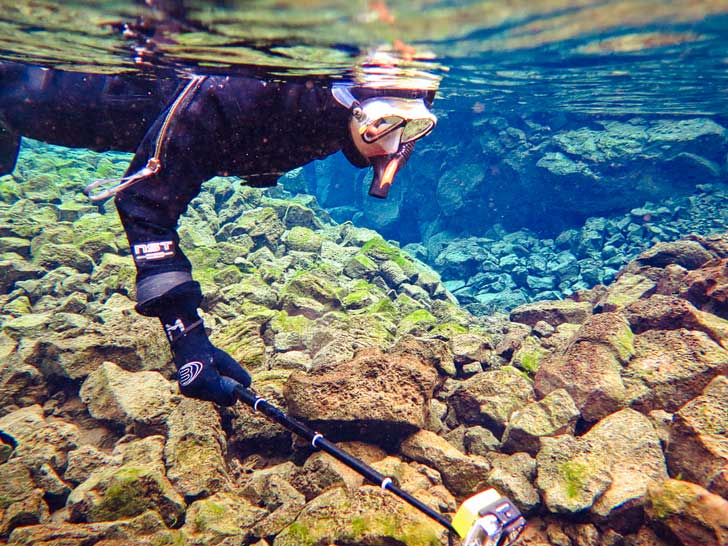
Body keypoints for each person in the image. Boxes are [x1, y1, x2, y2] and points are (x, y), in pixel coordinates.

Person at [0, 60, 438, 406]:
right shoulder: (243, 94)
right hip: (44, 98)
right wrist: (187, 338)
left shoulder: (346, 109)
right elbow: (144, 202)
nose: (394, 145)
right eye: (386, 125)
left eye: (415, 127)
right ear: (359, 108)